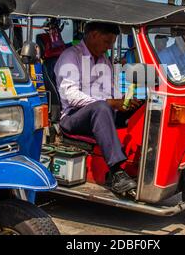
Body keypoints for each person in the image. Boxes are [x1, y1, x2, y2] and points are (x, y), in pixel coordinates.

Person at [54, 22, 142, 194]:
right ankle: (117, 172)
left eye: (111, 43)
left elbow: (112, 90)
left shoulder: (104, 60)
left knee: (143, 107)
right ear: (93, 35)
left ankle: (139, 160)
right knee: (101, 108)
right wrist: (109, 103)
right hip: (73, 117)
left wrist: (123, 102)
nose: (109, 47)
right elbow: (70, 96)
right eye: (107, 42)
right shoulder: (71, 56)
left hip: (102, 111)